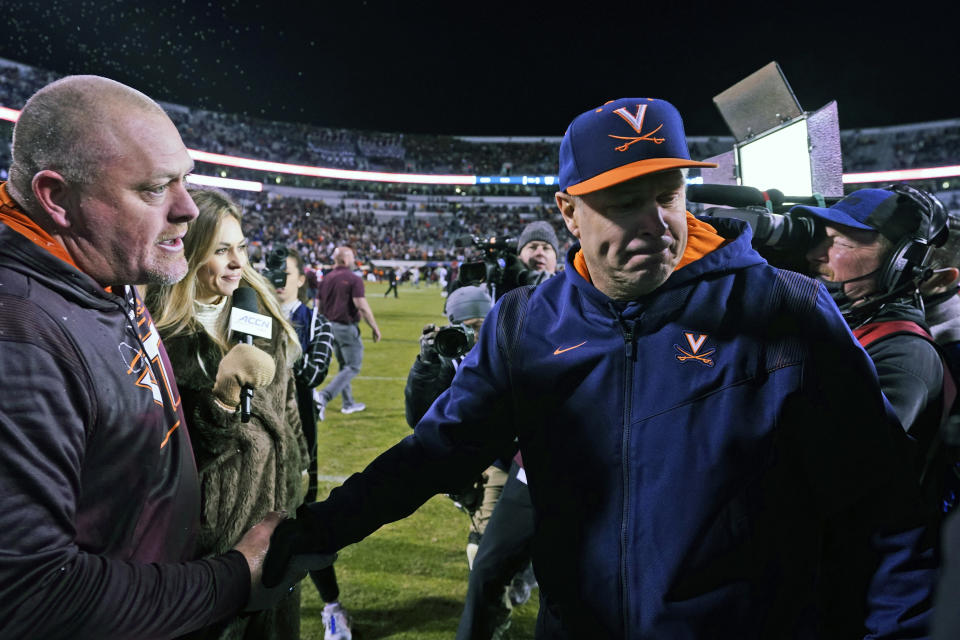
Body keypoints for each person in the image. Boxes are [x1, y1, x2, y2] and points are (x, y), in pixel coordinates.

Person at [267, 97, 936, 638]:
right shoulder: (525, 324)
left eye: (668, 193)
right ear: (568, 211)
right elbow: (437, 450)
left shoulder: (783, 309)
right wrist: (319, 531)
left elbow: (882, 504)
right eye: (622, 203)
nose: (655, 224)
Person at [0, 75, 310, 639]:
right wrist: (234, 577)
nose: (188, 209)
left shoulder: (104, 272)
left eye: (184, 181)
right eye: (153, 188)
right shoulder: (19, 336)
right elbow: (32, 594)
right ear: (56, 196)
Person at [145, 188, 314, 639]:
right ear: (191, 251)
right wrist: (220, 402)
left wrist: (299, 480)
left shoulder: (265, 321)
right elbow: (159, 454)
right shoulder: (159, 336)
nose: (238, 262)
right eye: (222, 250)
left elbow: (288, 414)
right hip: (209, 545)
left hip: (277, 523)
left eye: (241, 247)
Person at [457, 220, 561, 639]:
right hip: (521, 460)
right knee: (485, 566)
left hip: (577, 457)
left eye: (545, 247)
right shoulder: (501, 305)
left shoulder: (579, 291)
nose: (538, 252)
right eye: (530, 247)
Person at [274, 247, 353, 640]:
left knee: (304, 521)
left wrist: (269, 340)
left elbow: (312, 373)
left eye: (283, 273)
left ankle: (333, 607)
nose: (275, 279)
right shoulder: (241, 313)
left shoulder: (314, 322)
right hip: (251, 439)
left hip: (299, 438)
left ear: (301, 279)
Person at [315, 245, 381, 417]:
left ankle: (348, 403)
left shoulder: (325, 279)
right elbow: (362, 306)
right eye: (352, 257)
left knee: (344, 366)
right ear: (345, 260)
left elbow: (318, 308)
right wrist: (374, 327)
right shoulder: (353, 279)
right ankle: (323, 397)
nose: (354, 260)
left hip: (329, 328)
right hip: (345, 328)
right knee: (353, 366)